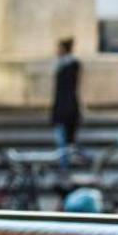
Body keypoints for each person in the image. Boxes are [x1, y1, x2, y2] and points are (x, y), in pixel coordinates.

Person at [49, 37, 82, 167]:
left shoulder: (68, 66)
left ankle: (65, 166)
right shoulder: (65, 65)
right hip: (66, 110)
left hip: (65, 110)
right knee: (66, 142)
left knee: (64, 142)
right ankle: (66, 164)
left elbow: (65, 92)